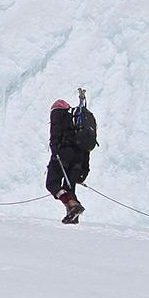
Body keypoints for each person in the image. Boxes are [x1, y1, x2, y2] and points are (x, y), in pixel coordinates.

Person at [47, 92, 98, 224]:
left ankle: (72, 206)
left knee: (52, 184)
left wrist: (55, 152)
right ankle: (73, 215)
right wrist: (84, 170)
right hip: (79, 158)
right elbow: (86, 150)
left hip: (64, 154)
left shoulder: (58, 114)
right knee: (69, 188)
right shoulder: (77, 126)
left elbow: (55, 135)